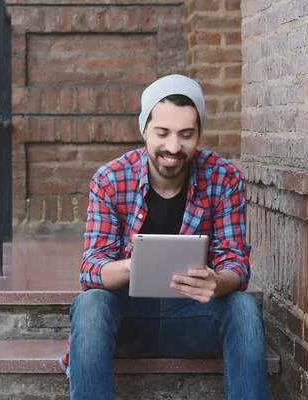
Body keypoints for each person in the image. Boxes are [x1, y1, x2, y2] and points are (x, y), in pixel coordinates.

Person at [59, 75, 270, 400]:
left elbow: (237, 266)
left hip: (194, 317)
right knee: (90, 305)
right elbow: (91, 270)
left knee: (242, 307)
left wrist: (218, 281)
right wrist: (134, 266)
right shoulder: (111, 179)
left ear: (199, 133)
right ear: (144, 129)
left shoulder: (224, 178)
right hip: (129, 321)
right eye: (163, 133)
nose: (173, 147)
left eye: (186, 135)